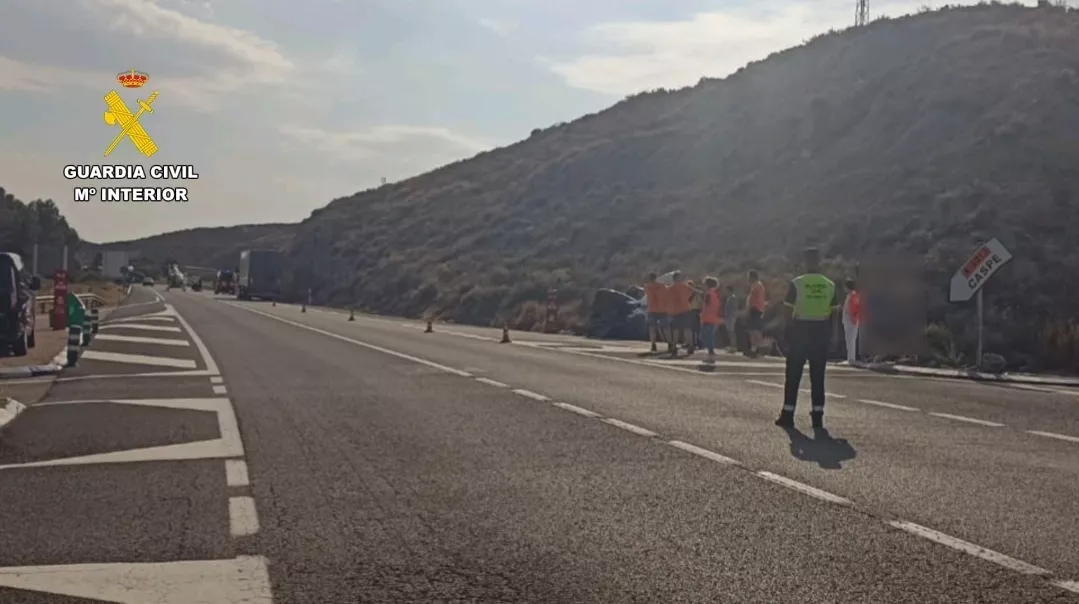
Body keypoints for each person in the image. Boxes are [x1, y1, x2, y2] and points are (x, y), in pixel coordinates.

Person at [775, 248, 839, 429]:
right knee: (818, 376)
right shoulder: (829, 285)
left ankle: (788, 414)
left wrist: (786, 332)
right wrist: (834, 336)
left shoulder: (797, 283)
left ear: (805, 262)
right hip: (821, 331)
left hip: (800, 331)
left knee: (793, 375)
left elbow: (787, 310)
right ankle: (817, 416)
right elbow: (835, 313)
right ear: (819, 262)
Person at [668, 271, 694, 356]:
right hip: (685, 309)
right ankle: (690, 346)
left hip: (675, 311)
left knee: (676, 330)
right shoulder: (685, 287)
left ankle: (674, 347)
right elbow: (690, 295)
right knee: (687, 329)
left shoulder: (670, 288)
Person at [644, 272, 668, 354]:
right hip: (662, 309)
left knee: (652, 328)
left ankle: (653, 344)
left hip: (652, 309)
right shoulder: (662, 286)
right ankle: (670, 343)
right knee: (665, 327)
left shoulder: (647, 287)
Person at [699, 277, 722, 362]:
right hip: (712, 317)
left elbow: (707, 305)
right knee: (708, 335)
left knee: (705, 335)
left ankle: (711, 350)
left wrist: (703, 314)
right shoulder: (714, 293)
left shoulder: (709, 293)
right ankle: (710, 349)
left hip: (708, 317)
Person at [746, 270, 767, 357]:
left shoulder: (757, 286)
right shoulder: (758, 285)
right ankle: (754, 348)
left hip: (755, 309)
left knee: (755, 329)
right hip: (757, 309)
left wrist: (750, 307)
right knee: (754, 329)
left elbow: (754, 299)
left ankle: (756, 348)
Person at [842, 278, 862, 364]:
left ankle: (851, 359)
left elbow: (852, 309)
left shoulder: (852, 296)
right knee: (850, 340)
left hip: (851, 320)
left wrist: (852, 318)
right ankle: (850, 358)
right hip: (850, 320)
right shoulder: (853, 295)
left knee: (850, 340)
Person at [687, 280, 703, 350]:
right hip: (690, 311)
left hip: (695, 310)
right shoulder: (688, 294)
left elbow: (700, 303)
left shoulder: (696, 294)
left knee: (696, 329)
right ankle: (692, 343)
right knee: (691, 329)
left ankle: (698, 343)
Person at [723, 286, 739, 351]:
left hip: (731, 317)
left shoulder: (732, 298)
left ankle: (733, 346)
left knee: (731, 331)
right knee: (729, 332)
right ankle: (732, 345)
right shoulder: (730, 297)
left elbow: (733, 308)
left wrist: (729, 316)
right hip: (729, 317)